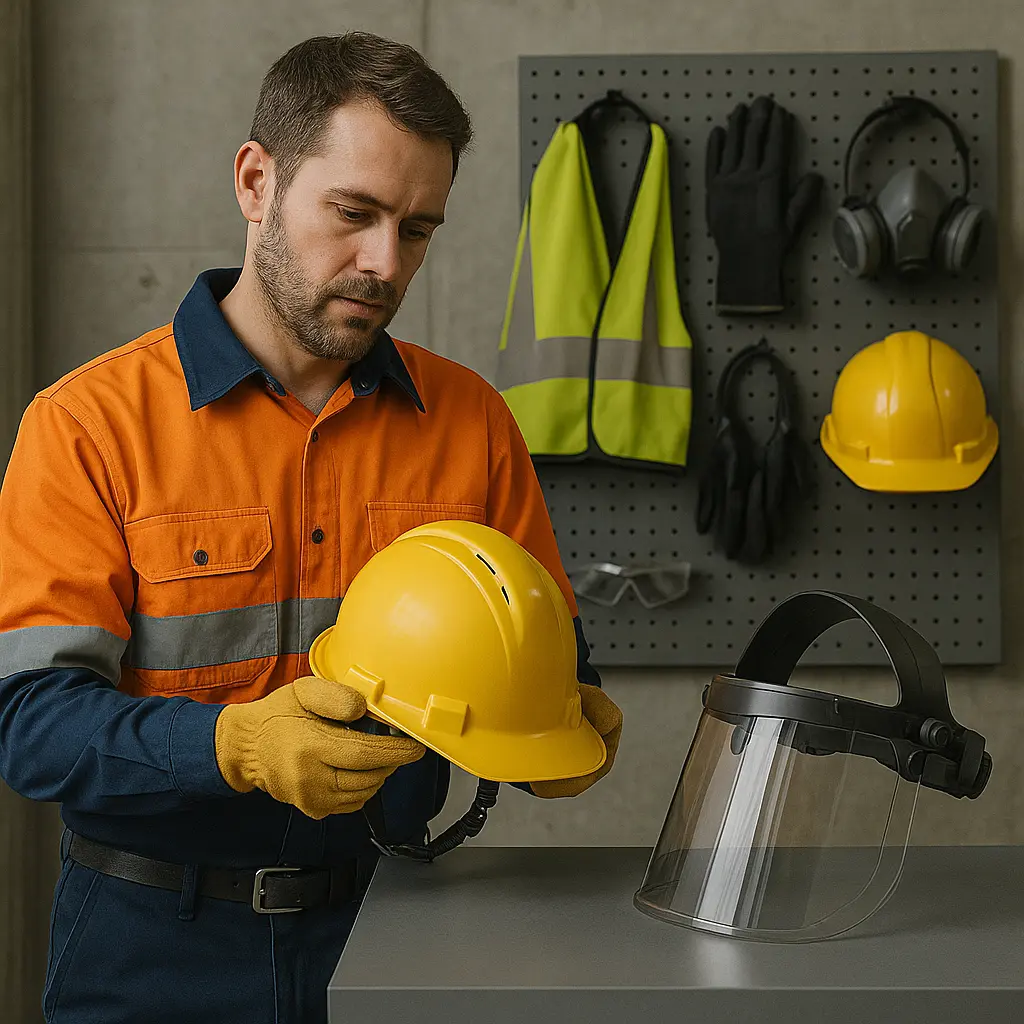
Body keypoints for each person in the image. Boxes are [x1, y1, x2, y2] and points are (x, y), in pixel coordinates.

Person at [0, 31, 622, 1024]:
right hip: (150, 948)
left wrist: (562, 708)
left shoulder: (471, 423)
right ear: (256, 182)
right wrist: (233, 745)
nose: (383, 263)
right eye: (354, 213)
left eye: (417, 229)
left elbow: (557, 665)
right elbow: (30, 729)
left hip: (401, 926)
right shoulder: (86, 427)